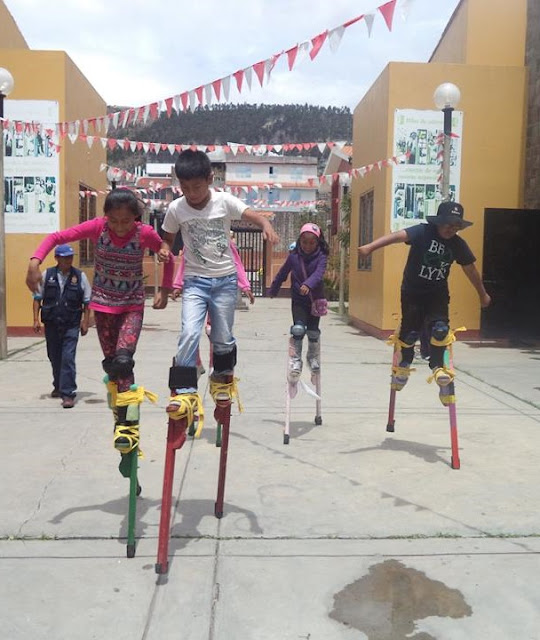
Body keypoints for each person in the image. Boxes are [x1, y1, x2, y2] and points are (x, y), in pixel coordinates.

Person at [26, 188, 174, 452]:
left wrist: (164, 288)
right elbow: (57, 236)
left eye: (125, 222)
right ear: (105, 218)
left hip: (131, 306)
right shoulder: (98, 229)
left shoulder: (144, 234)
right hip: (103, 306)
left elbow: (167, 254)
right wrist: (35, 262)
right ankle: (120, 416)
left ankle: (128, 424)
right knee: (113, 367)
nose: (119, 227)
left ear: (136, 219)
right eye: (114, 221)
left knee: (123, 360)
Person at [158, 149, 279, 416]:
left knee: (222, 336)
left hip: (224, 281)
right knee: (189, 332)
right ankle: (185, 389)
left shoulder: (224, 202)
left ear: (210, 179)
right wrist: (164, 249)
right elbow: (166, 237)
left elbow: (252, 214)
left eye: (197, 187)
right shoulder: (176, 208)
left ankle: (221, 378)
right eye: (185, 187)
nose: (192, 193)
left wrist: (265, 226)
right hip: (194, 282)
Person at [357, 201, 491, 400]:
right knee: (410, 333)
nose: (451, 229)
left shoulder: (457, 244)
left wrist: (482, 293)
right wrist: (370, 247)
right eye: (447, 223)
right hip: (412, 292)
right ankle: (404, 366)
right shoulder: (423, 232)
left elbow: (470, 269)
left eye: (456, 226)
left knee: (440, 331)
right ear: (438, 222)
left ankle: (438, 368)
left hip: (437, 293)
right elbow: (396, 237)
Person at [32, 244, 91, 408]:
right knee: (54, 356)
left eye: (70, 257)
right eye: (64, 257)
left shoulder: (80, 276)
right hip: (51, 322)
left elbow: (87, 302)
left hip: (71, 323)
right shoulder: (47, 275)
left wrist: (85, 322)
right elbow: (37, 297)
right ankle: (58, 385)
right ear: (57, 258)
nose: (68, 260)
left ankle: (68, 393)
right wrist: (35, 320)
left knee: (67, 357)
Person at [268, 222, 329, 381]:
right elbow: (283, 273)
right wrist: (274, 289)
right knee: (298, 330)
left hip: (315, 299)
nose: (307, 246)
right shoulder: (294, 257)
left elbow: (319, 273)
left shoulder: (321, 256)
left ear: (317, 242)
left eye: (311, 242)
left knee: (313, 332)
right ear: (299, 241)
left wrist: (308, 284)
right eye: (304, 242)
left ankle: (312, 357)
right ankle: (296, 361)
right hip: (299, 300)